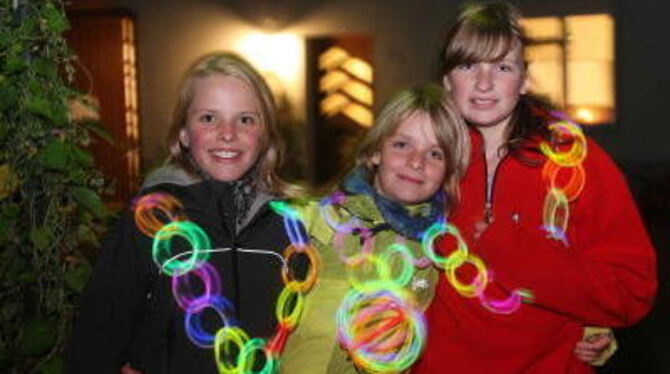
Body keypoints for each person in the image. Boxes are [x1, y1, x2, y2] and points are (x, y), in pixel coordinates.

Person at [412, 2, 657, 373]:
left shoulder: (576, 163)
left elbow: (630, 291)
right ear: (447, 80)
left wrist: (517, 253)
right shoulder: (426, 154)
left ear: (524, 79)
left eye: (503, 67)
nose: (483, 83)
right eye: (467, 65)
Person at [67, 52, 301, 374]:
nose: (227, 133)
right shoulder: (149, 223)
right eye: (208, 118)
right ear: (183, 133)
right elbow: (97, 337)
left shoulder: (289, 229)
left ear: (265, 135)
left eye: (246, 119)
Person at [279, 84, 470, 373]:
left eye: (435, 154)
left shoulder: (435, 255)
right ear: (375, 153)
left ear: (447, 173)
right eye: (402, 145)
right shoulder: (318, 221)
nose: (416, 162)